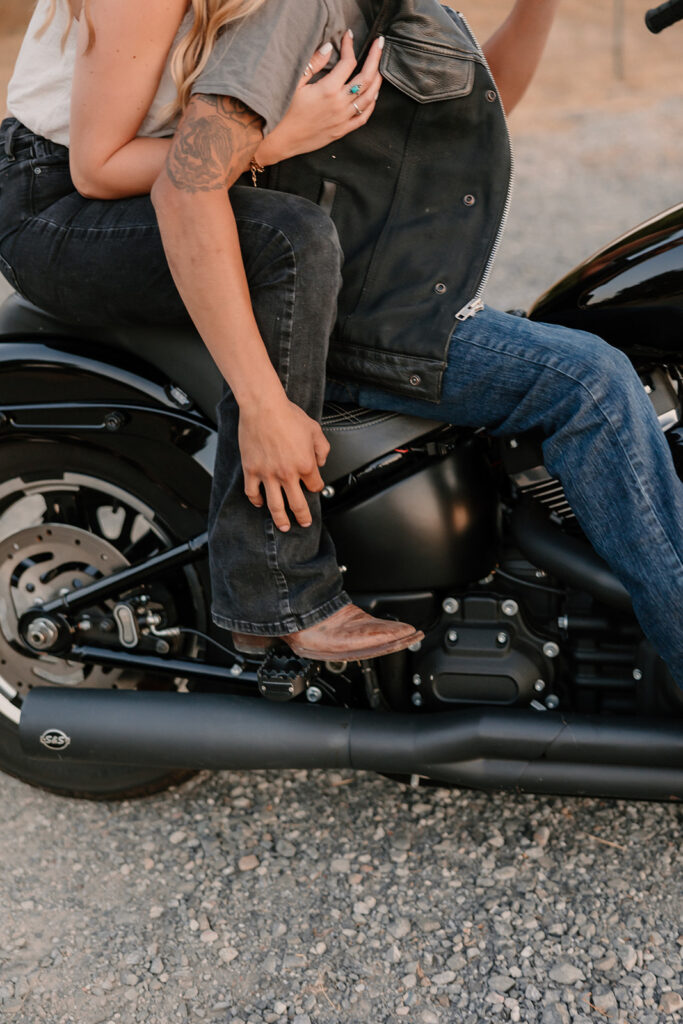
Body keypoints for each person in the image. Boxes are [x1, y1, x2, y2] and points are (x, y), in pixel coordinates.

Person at [151, 0, 683, 688]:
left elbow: (479, 100)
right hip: (372, 322)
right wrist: (262, 403)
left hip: (413, 300)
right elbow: (188, 184)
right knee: (591, 381)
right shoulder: (306, 6)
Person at [0, 0, 422, 660]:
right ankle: (274, 588)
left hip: (161, 183)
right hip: (56, 208)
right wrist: (275, 143)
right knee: (287, 241)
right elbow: (98, 166)